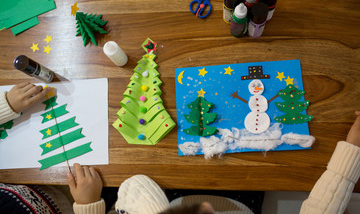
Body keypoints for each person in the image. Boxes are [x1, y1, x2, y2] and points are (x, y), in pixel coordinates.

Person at [67, 111, 360, 214]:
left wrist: (86, 206)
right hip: (238, 203)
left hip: (170, 198)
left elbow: (136, 184)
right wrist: (352, 150)